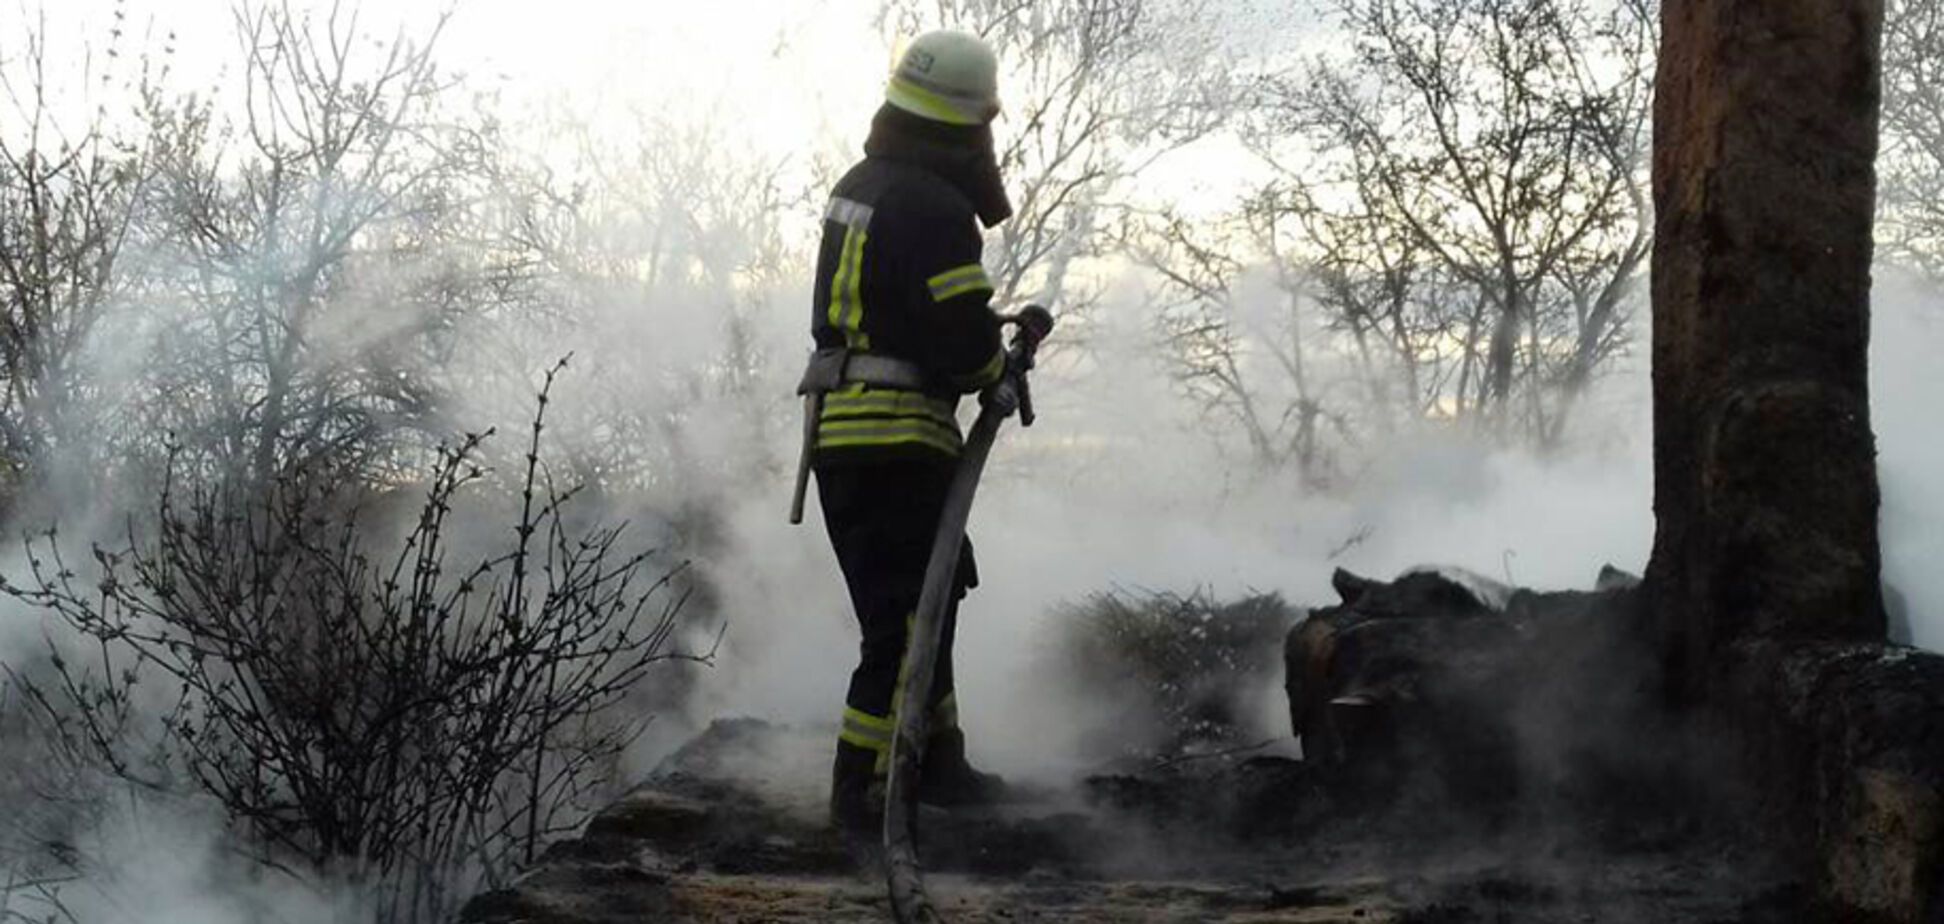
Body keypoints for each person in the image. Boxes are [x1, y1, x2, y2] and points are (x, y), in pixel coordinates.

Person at [799, 28, 1014, 836]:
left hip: (845, 442)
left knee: (930, 601)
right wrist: (999, 370)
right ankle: (860, 796)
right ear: (969, 122)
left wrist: (982, 342)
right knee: (902, 624)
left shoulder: (864, 186)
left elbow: (902, 310)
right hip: (898, 442)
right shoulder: (936, 208)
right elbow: (961, 346)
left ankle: (938, 760)